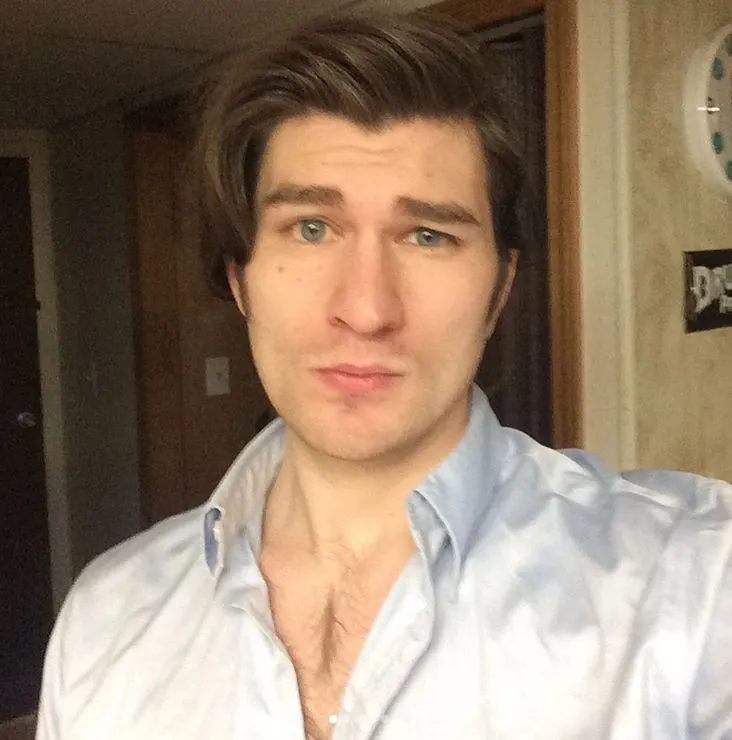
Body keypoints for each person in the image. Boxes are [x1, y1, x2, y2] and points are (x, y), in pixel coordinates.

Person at [37, 13, 732, 740]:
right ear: (240, 278)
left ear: (499, 290)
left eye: (428, 235)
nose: (366, 311)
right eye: (311, 228)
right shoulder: (106, 622)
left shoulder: (692, 586)